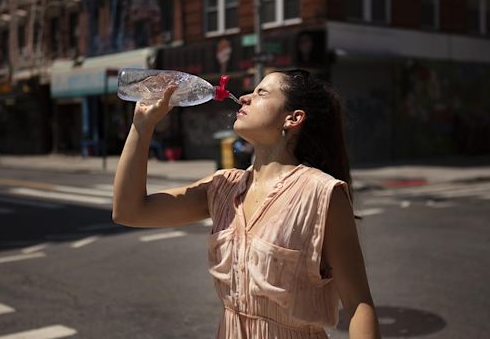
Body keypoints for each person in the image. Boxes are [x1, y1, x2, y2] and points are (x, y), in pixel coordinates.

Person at [113, 69, 381, 338]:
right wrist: (142, 125)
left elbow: (358, 303)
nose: (243, 98)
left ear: (293, 118)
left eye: (261, 93)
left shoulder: (322, 193)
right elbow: (129, 212)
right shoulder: (222, 187)